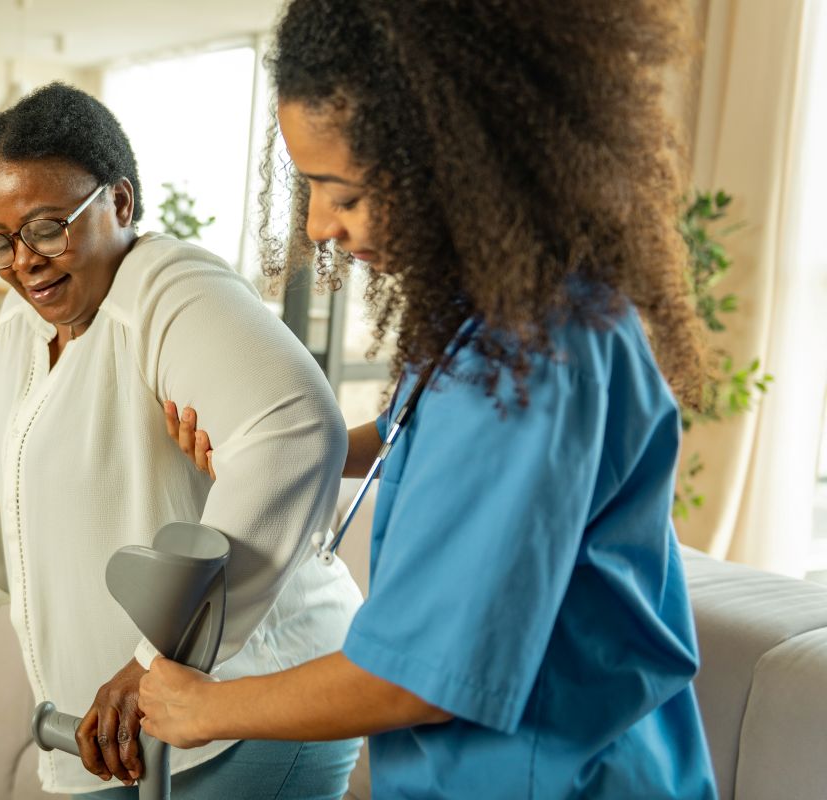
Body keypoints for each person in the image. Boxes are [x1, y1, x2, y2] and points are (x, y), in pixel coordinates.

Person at [138, 1, 719, 797]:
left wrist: (205, 708)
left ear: (455, 161)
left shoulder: (528, 359)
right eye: (310, 189)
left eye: (343, 194)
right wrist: (284, 448)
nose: (318, 226)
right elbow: (412, 431)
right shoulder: (486, 314)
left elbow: (418, 678)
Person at [0, 83, 363, 799]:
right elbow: (30, 490)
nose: (24, 260)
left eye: (47, 227)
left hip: (246, 707)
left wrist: (160, 659)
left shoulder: (171, 288)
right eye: (0, 239)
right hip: (124, 726)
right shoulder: (22, 327)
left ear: (119, 203)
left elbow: (298, 432)